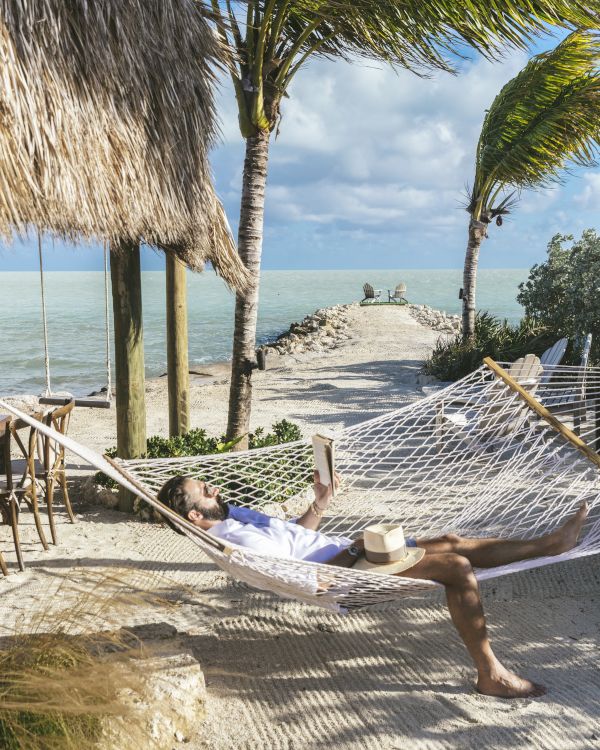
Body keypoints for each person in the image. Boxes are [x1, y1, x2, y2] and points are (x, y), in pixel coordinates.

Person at [158, 472, 589, 699]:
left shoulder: (239, 521)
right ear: (195, 516)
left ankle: (549, 544)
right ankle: (490, 674)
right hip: (349, 579)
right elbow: (314, 579)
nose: (214, 487)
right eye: (204, 490)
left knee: (450, 541)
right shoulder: (237, 543)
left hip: (352, 555)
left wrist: (319, 504)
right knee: (456, 566)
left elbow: (297, 539)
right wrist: (358, 553)